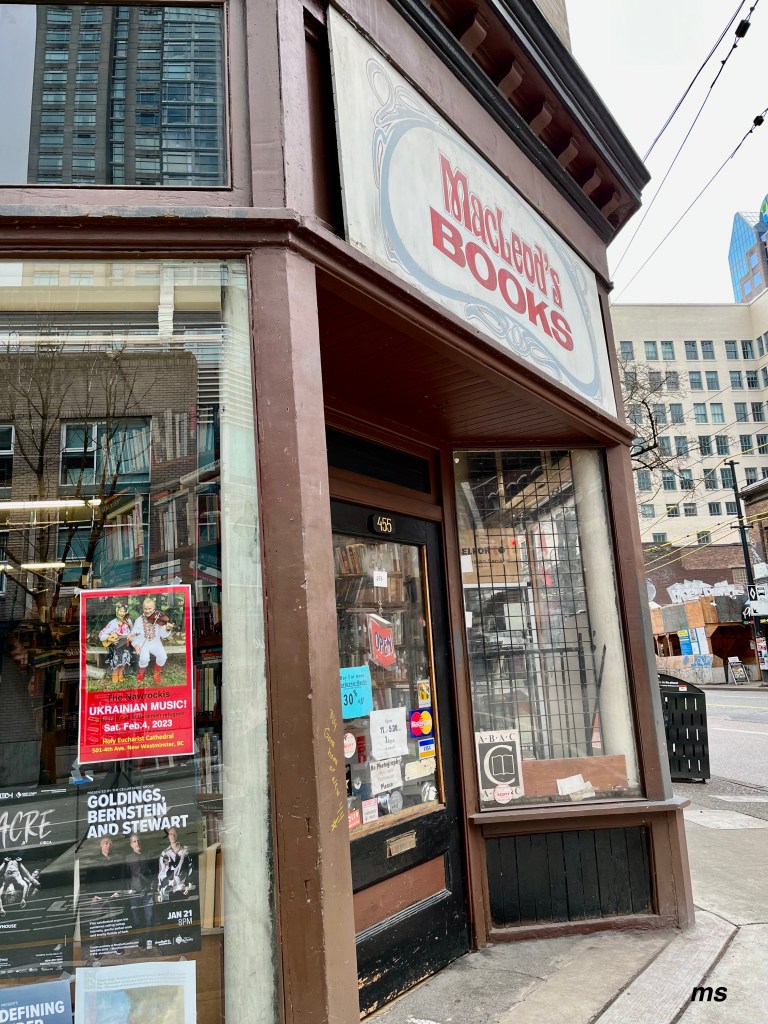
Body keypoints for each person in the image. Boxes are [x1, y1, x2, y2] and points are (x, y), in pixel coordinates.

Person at [129, 597, 175, 684]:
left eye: (150, 609)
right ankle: (141, 672)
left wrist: (168, 629)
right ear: (143, 608)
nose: (147, 611)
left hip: (155, 642)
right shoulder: (139, 620)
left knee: (163, 656)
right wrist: (136, 644)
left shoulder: (159, 620)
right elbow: (133, 634)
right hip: (143, 642)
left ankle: (156, 672)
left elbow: (163, 635)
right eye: (145, 609)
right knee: (144, 658)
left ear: (154, 609)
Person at [124, 833, 154, 943]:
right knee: (137, 918)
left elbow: (153, 872)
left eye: (138, 841)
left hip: (147, 891)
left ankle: (149, 938)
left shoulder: (147, 856)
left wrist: (152, 885)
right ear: (131, 845)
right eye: (134, 841)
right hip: (134, 892)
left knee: (149, 916)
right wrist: (128, 889)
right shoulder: (128, 858)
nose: (137, 843)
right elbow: (126, 875)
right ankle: (141, 940)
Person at [98, 601, 133, 684]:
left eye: (124, 611)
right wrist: (110, 639)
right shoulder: (113, 623)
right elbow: (101, 634)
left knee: (125, 655)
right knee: (117, 655)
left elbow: (132, 632)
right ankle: (115, 673)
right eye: (120, 611)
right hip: (115, 645)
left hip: (125, 644)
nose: (122, 613)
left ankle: (121, 672)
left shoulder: (128, 622)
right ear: (117, 611)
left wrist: (131, 636)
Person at [156, 827, 192, 901]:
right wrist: (160, 892)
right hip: (168, 889)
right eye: (170, 834)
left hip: (182, 889)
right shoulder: (165, 854)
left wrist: (189, 885)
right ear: (168, 836)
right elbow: (162, 872)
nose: (172, 836)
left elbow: (190, 869)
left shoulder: (185, 851)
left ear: (177, 835)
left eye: (174, 834)